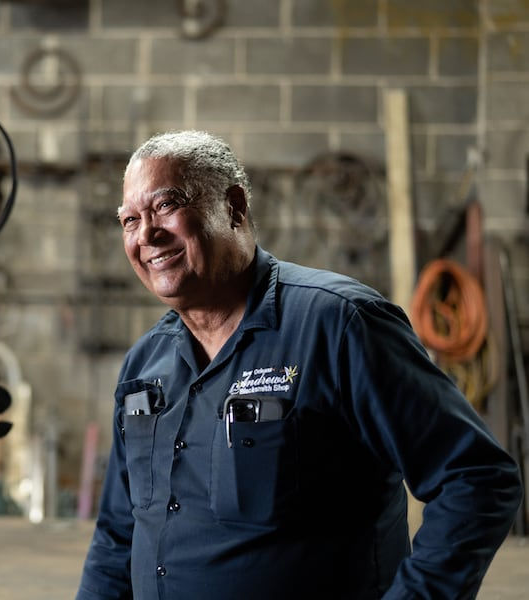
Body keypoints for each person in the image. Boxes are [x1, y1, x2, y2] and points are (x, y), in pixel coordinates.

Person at [75, 130, 523, 599]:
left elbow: (475, 479)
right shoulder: (145, 364)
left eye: (166, 206)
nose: (146, 235)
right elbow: (118, 536)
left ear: (234, 207)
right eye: (130, 220)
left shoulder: (340, 326)